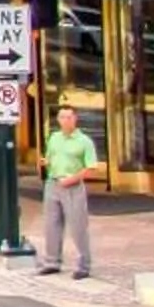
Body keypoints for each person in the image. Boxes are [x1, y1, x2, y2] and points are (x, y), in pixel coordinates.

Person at [38, 102, 104, 279]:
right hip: (53, 183)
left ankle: (84, 265)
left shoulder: (84, 141)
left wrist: (71, 179)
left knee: (78, 226)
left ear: (75, 119)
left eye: (69, 117)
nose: (65, 120)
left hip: (73, 186)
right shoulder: (54, 138)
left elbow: (91, 168)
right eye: (62, 117)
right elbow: (51, 158)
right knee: (51, 225)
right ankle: (52, 262)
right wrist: (45, 162)